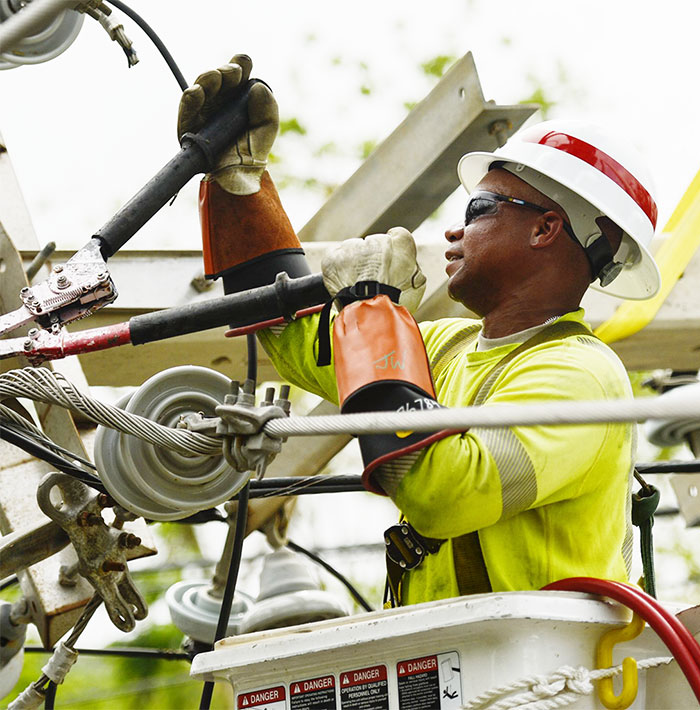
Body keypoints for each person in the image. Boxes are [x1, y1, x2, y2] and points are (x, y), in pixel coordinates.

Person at [178, 56, 661, 606]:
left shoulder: (582, 375)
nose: (456, 228)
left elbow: (442, 492)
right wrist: (239, 186)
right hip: (454, 668)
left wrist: (370, 307)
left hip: (540, 679)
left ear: (546, 228)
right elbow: (296, 340)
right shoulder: (445, 347)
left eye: (480, 206)